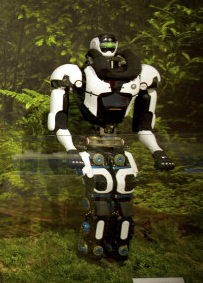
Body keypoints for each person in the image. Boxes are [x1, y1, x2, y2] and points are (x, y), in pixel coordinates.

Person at [48, 33, 174, 262]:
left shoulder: (142, 75)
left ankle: (118, 247)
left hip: (117, 146)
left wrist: (158, 151)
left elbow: (145, 126)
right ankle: (92, 246)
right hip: (92, 147)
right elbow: (58, 121)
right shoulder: (77, 73)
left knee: (125, 196)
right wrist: (71, 149)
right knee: (99, 198)